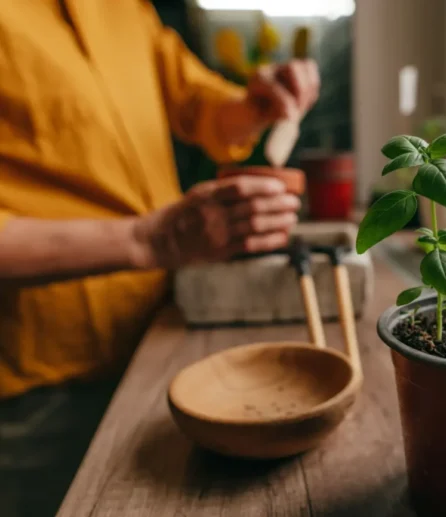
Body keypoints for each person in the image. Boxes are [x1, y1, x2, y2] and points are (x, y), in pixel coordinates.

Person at [0, 1, 319, 515]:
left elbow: (199, 104)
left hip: (160, 336)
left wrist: (256, 105)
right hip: (41, 385)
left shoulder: (124, 8)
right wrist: (148, 241)